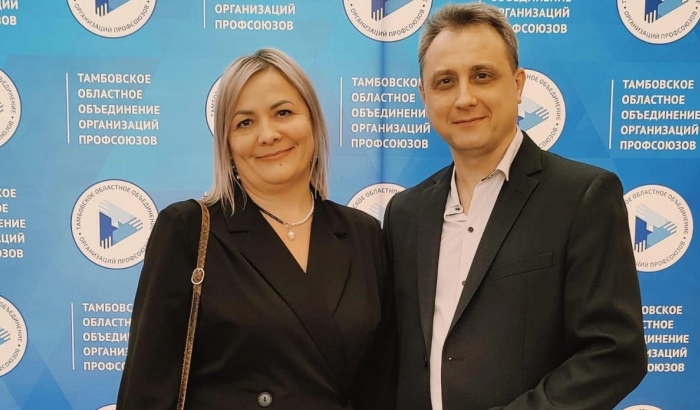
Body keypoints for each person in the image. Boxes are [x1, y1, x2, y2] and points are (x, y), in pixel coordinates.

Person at [382, 4, 647, 410]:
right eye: (445, 81)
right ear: (424, 96)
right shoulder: (405, 213)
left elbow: (614, 353)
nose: (465, 98)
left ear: (518, 84)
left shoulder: (583, 196)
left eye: (482, 76)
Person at [117, 48, 393, 409]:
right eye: (245, 123)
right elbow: (146, 389)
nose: (267, 134)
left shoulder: (363, 233)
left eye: (283, 113)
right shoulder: (187, 230)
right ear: (227, 144)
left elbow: (383, 383)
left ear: (313, 122)